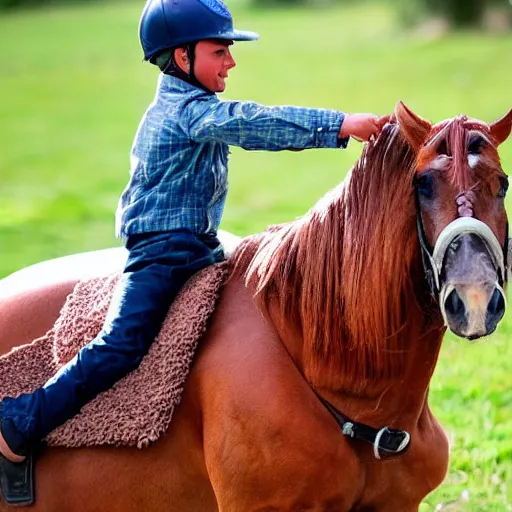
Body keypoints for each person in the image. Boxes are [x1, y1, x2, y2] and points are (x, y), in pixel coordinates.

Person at [0, 0, 388, 504]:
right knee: (121, 344)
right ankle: (18, 423)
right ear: (181, 58)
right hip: (161, 253)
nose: (230, 62)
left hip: (200, 245)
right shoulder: (185, 111)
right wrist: (338, 125)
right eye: (219, 51)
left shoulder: (194, 101)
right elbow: (254, 123)